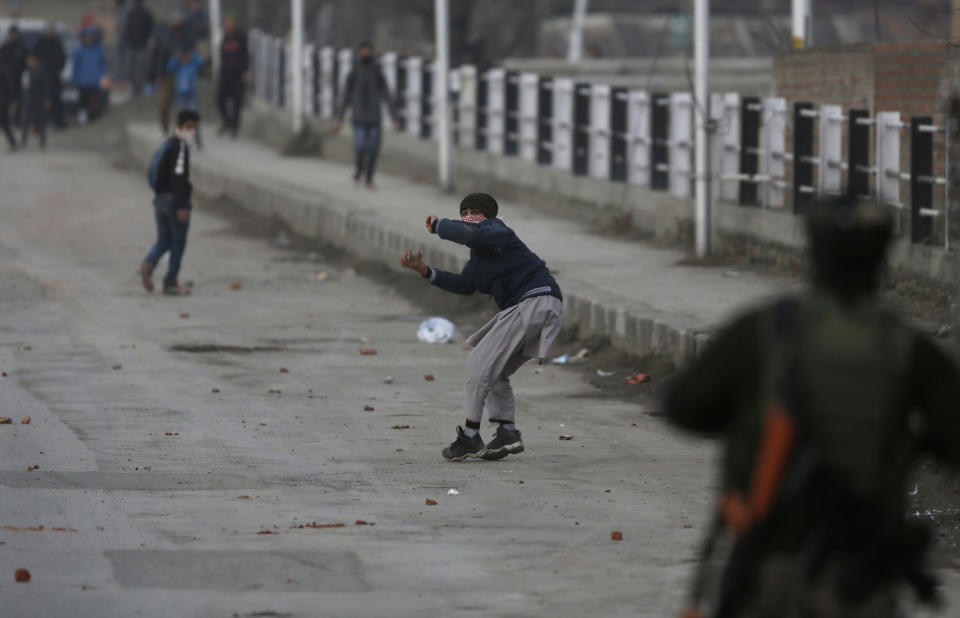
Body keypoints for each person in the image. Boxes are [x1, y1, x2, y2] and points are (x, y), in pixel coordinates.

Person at [666, 196, 960, 618]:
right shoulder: (909, 350)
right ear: (882, 257)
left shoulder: (765, 331)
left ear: (813, 250)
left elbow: (683, 406)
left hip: (767, 564)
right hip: (858, 575)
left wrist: (745, 416)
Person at [400, 193, 564, 461]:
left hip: (533, 301)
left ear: (487, 215)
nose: (469, 216)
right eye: (465, 212)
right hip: (541, 306)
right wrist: (424, 270)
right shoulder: (480, 258)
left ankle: (470, 436)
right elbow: (465, 284)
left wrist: (439, 226)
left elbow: (473, 234)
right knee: (495, 371)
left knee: (478, 364)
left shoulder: (497, 231)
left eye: (475, 212)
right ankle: (507, 432)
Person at [140, 108, 200, 296]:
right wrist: (182, 205)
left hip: (159, 202)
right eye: (190, 127)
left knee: (164, 241)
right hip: (174, 202)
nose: (193, 132)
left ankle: (149, 264)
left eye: (195, 128)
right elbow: (179, 176)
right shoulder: (180, 147)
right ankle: (171, 281)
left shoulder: (168, 144)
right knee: (177, 242)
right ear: (182, 126)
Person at [333, 41, 399, 188]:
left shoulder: (377, 72)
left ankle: (369, 178)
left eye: (367, 51)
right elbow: (346, 97)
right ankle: (359, 169)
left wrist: (394, 118)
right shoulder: (354, 73)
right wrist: (339, 119)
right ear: (358, 53)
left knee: (373, 150)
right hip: (358, 118)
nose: (365, 54)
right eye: (362, 51)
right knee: (361, 146)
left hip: (374, 118)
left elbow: (387, 95)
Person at [167, 45, 206, 147]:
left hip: (191, 97)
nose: (185, 58)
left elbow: (201, 63)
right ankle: (183, 142)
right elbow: (170, 66)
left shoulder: (193, 66)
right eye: (183, 56)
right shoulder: (178, 67)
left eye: (186, 56)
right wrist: (177, 54)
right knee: (183, 120)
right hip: (181, 97)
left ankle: (198, 141)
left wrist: (193, 54)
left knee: (193, 119)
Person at [216, 14, 247, 137]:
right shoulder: (225, 37)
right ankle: (227, 121)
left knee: (237, 102)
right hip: (226, 73)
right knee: (220, 99)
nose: (228, 25)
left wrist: (245, 71)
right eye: (227, 23)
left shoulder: (241, 36)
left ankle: (234, 128)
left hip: (238, 73)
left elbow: (245, 54)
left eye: (231, 23)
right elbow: (222, 56)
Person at [72, 26, 109, 123]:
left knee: (94, 101)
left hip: (95, 81)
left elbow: (103, 64)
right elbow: (75, 66)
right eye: (86, 37)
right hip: (82, 81)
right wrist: (75, 79)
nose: (88, 39)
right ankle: (82, 118)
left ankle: (94, 117)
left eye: (90, 37)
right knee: (83, 100)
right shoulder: (79, 50)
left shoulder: (99, 50)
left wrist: (103, 77)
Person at [33, 25, 66, 128]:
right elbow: (34, 57)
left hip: (55, 76)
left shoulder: (57, 43)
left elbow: (62, 58)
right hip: (42, 77)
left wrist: (58, 68)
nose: (49, 33)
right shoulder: (40, 43)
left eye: (51, 31)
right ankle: (38, 123)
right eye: (48, 31)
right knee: (41, 100)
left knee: (56, 99)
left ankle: (58, 122)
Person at [122, 0, 154, 96]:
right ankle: (134, 87)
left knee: (140, 69)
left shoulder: (147, 15)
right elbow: (126, 28)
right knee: (129, 68)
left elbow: (151, 28)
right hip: (130, 45)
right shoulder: (130, 14)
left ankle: (138, 89)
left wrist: (146, 38)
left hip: (141, 46)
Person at [19, 54, 47, 148]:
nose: (30, 62)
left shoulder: (41, 71)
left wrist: (46, 99)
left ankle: (42, 141)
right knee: (25, 121)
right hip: (27, 100)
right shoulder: (26, 71)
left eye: (31, 60)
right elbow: (24, 86)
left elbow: (45, 86)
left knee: (40, 121)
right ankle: (23, 140)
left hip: (38, 99)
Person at [0, 25, 26, 124]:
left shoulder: (21, 47)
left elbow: (25, 62)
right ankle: (5, 119)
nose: (13, 35)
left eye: (14, 34)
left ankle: (17, 119)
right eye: (11, 34)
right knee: (6, 100)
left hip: (18, 78)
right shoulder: (5, 46)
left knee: (18, 100)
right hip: (5, 79)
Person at [0, 65, 16, 150]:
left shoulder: (2, 71)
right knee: (5, 124)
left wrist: (10, 100)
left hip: (2, 103)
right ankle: (13, 142)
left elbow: (8, 87)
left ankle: (13, 143)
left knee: (5, 124)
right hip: (4, 101)